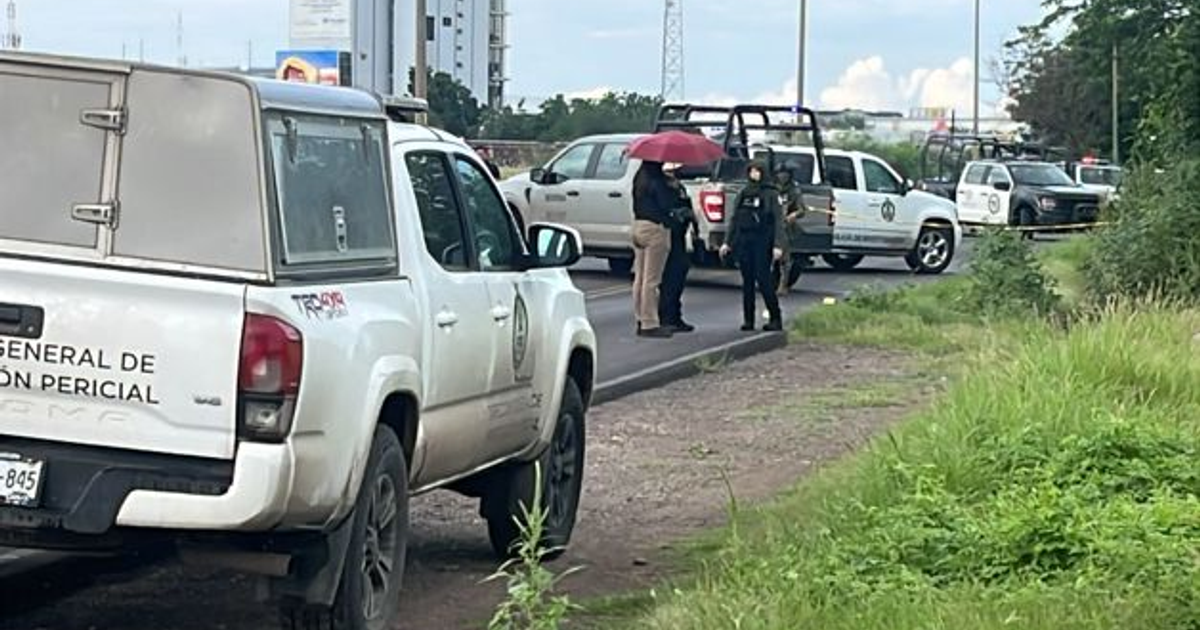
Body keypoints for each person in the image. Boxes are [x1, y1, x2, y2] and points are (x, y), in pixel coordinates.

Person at [720, 161, 785, 332]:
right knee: (747, 282)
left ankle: (775, 318)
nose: (754, 174)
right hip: (744, 241)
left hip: (762, 241)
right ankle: (748, 320)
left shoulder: (771, 194)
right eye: (751, 171)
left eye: (757, 171)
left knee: (763, 280)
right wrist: (727, 242)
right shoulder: (744, 192)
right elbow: (734, 219)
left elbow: (779, 221)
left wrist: (778, 245)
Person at [631, 161, 677, 338]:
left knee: (640, 278)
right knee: (652, 280)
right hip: (655, 228)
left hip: (638, 226)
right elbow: (666, 205)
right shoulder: (658, 182)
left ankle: (640, 317)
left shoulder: (639, 179)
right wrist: (671, 186)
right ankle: (649, 323)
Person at [658, 163, 697, 333]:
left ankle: (675, 316)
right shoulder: (659, 189)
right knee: (668, 280)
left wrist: (690, 219)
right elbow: (662, 211)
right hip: (665, 237)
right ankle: (666, 317)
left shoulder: (679, 188)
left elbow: (688, 208)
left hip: (679, 238)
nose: (672, 175)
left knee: (679, 275)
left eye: (674, 172)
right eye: (668, 172)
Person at [774, 164, 804, 295]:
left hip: (785, 227)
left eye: (785, 174)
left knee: (785, 259)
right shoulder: (771, 188)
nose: (782, 177)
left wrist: (794, 214)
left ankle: (783, 284)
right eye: (780, 174)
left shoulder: (794, 190)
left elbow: (802, 209)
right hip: (769, 225)